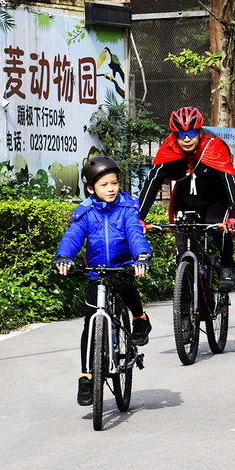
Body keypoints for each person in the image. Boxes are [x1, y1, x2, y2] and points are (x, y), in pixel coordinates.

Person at [56, 157, 153, 406]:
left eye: (114, 183)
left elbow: (134, 233)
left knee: (124, 285)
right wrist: (65, 256)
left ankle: (140, 319)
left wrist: (142, 256)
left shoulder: (127, 208)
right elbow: (73, 236)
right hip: (95, 271)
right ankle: (86, 375)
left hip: (120, 267)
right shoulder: (86, 212)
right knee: (90, 324)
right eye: (104, 185)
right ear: (90, 188)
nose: (111, 188)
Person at [139, 107, 235, 290]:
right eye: (181, 135)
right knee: (183, 250)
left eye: (191, 133)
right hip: (185, 203)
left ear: (199, 132)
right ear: (175, 136)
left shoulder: (213, 145)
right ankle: (188, 289)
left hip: (214, 200)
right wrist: (139, 217)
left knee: (218, 228)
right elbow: (152, 182)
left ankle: (228, 265)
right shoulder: (168, 149)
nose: (187, 139)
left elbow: (229, 178)